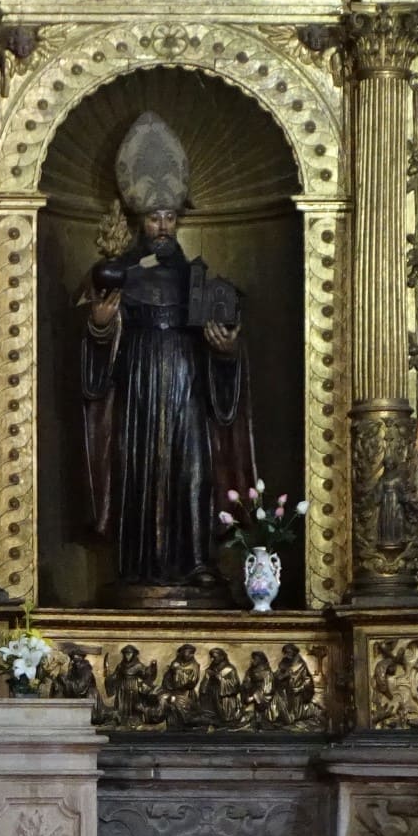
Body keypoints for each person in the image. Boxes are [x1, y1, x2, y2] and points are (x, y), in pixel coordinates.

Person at [82, 113, 256, 594]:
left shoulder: (199, 278)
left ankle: (199, 560)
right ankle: (138, 566)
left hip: (187, 375)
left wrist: (225, 354)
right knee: (140, 469)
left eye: (169, 216)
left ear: (180, 219)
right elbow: (96, 345)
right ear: (139, 219)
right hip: (139, 377)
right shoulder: (120, 274)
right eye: (153, 216)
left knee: (192, 467)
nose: (161, 225)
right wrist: (100, 329)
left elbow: (226, 341)